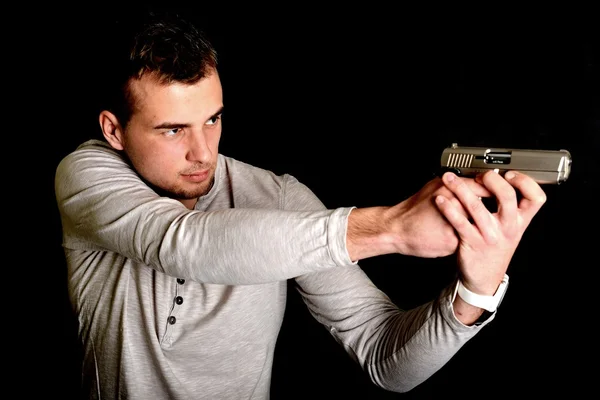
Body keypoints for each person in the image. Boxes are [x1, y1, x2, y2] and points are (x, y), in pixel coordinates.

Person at [54, 9, 547, 400]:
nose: (203, 152)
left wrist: (475, 293)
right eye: (172, 130)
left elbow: (386, 359)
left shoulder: (280, 198)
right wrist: (388, 229)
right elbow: (184, 244)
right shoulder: (87, 175)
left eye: (212, 119)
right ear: (113, 130)